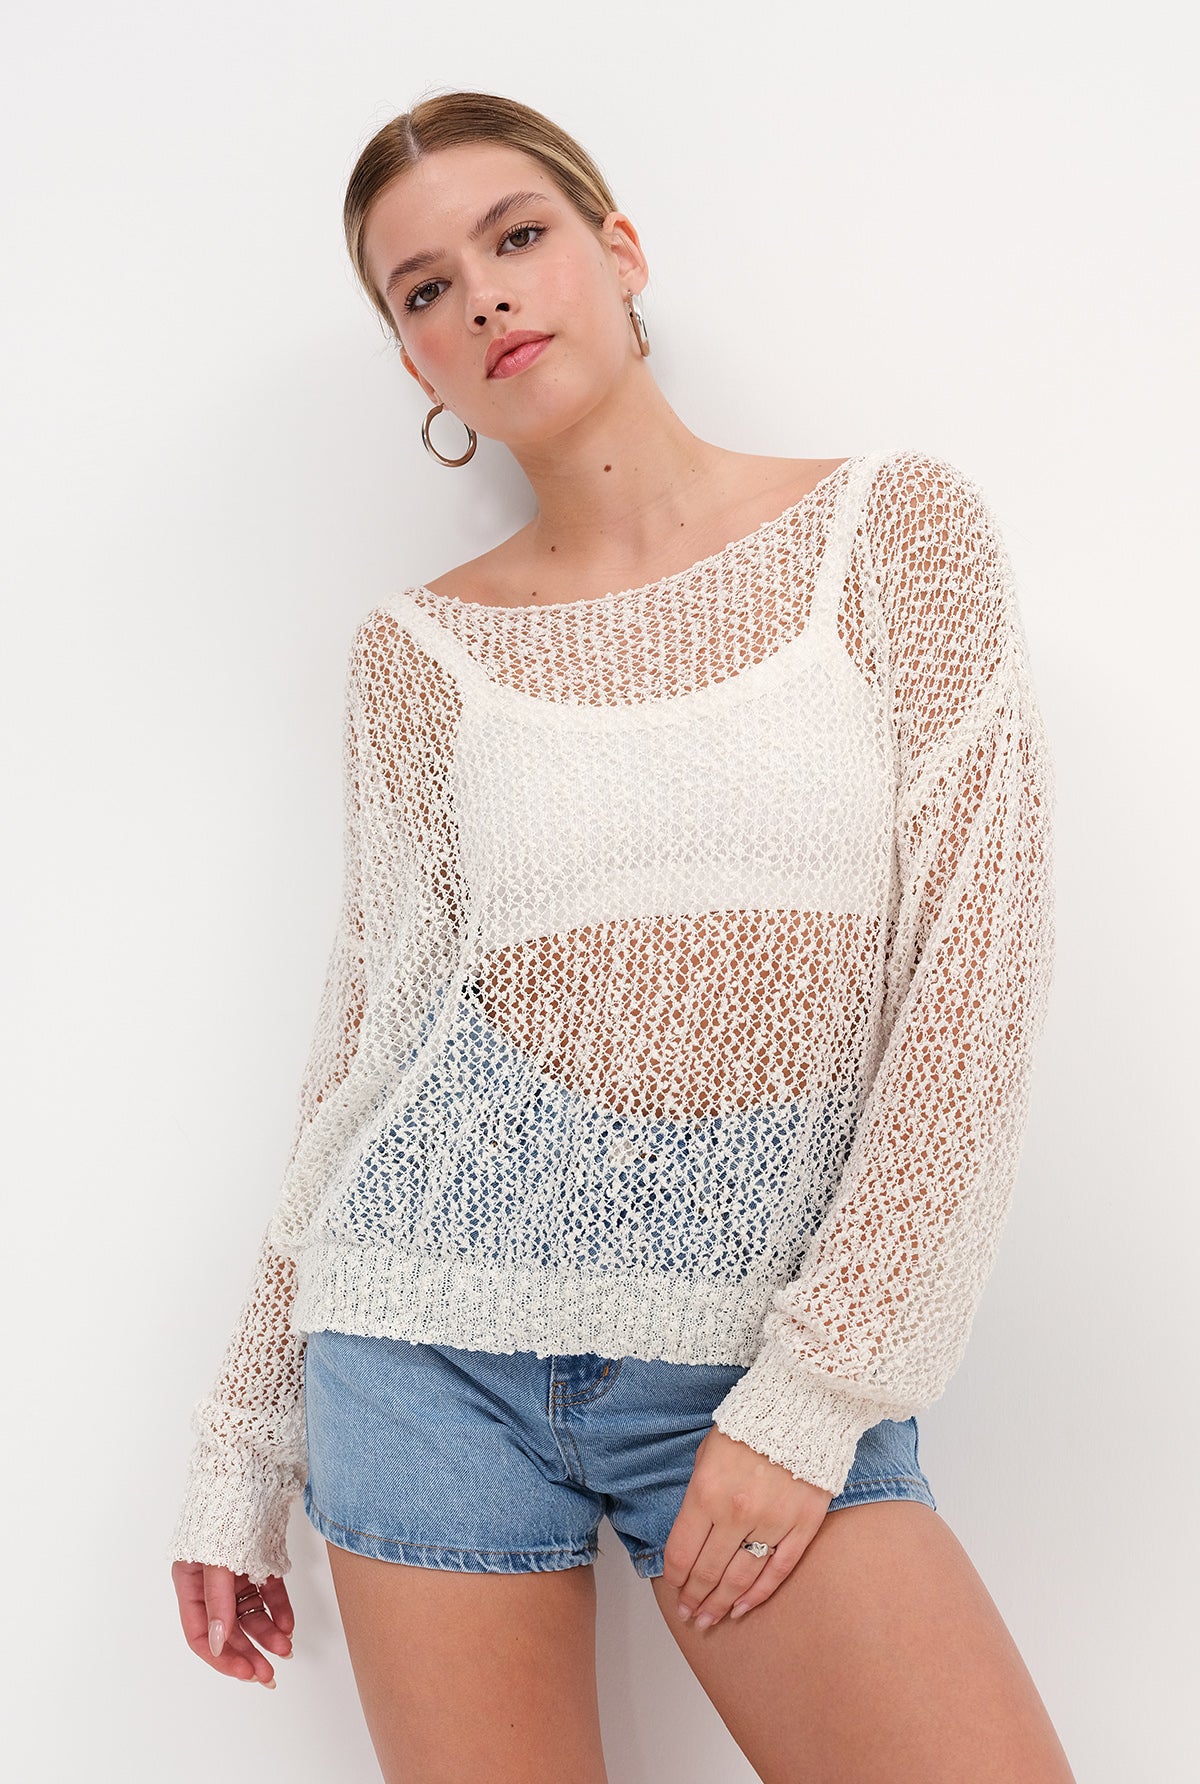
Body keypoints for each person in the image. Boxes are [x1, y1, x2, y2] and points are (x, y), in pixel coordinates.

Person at [168, 89, 1074, 1783]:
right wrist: (242, 1444)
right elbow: (370, 1043)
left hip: (760, 1345)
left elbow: (977, 979)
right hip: (422, 1350)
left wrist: (815, 1396)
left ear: (618, 249)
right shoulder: (416, 654)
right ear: (413, 359)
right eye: (424, 289)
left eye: (516, 237)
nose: (484, 296)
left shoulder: (891, 533)